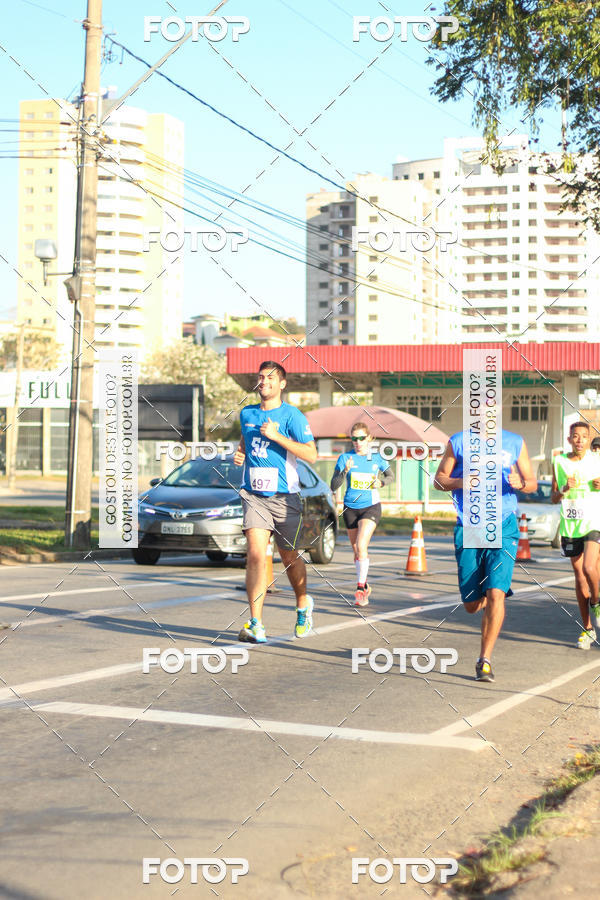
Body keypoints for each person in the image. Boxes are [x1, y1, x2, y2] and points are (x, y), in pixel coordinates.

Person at [434, 429, 537, 682]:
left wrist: (521, 484)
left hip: (503, 526)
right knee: (471, 606)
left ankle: (485, 660)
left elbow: (532, 483)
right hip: (469, 527)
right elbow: (438, 481)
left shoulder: (515, 441)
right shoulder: (458, 441)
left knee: (496, 593)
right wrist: (460, 482)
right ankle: (482, 600)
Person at [233, 361, 317, 643]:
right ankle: (256, 623)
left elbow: (311, 455)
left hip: (285, 497)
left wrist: (277, 436)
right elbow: (245, 441)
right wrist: (240, 453)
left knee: (289, 557)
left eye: (270, 377)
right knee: (256, 555)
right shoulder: (247, 413)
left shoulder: (292, 416)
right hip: (254, 494)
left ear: (282, 384)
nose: (264, 381)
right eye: (260, 377)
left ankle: (303, 603)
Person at [330, 422, 395, 606]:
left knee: (361, 544)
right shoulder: (345, 458)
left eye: (361, 438)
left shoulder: (376, 458)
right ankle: (365, 584)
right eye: (354, 438)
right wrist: (344, 472)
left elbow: (391, 476)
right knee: (356, 551)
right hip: (350, 508)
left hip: (371, 506)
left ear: (369, 438)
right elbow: (334, 485)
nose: (358, 442)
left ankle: (359, 588)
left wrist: (380, 483)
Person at [551, 421, 600, 649]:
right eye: (575, 436)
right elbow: (554, 497)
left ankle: (597, 602)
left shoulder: (597, 460)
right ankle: (588, 629)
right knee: (580, 576)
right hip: (571, 526)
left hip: (593, 521)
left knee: (590, 568)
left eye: (583, 436)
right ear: (569, 439)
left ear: (589, 439)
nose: (579, 439)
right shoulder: (559, 462)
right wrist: (564, 489)